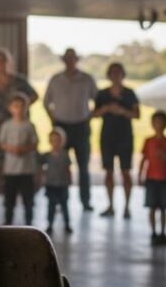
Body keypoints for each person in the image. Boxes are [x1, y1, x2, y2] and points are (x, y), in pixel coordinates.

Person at [0, 48, 38, 215]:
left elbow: (34, 95)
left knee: (16, 168)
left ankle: (17, 205)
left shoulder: (19, 81)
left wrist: (20, 109)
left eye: (3, 61)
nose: (0, 65)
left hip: (16, 128)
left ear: (8, 63)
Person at [42, 48, 97, 212]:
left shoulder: (87, 79)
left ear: (76, 60)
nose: (70, 61)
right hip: (61, 127)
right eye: (67, 59)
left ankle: (85, 201)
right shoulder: (55, 79)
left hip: (81, 126)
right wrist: (53, 120)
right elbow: (46, 102)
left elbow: (97, 100)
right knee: (58, 165)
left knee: (83, 168)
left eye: (72, 58)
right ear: (64, 61)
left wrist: (89, 116)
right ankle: (59, 201)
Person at [93, 62, 140, 218]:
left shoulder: (129, 93)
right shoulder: (102, 94)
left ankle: (127, 206)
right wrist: (106, 109)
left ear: (122, 74)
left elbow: (136, 114)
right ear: (109, 75)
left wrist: (121, 111)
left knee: (126, 171)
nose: (115, 75)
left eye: (118, 72)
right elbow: (94, 114)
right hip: (107, 136)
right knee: (109, 171)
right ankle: (111, 205)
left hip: (125, 136)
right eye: (112, 72)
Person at [139, 111, 166, 246]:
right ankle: (153, 232)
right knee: (152, 207)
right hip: (151, 178)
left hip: (164, 178)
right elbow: (143, 159)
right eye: (156, 122)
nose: (159, 125)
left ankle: (162, 232)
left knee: (163, 208)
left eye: (161, 122)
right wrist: (140, 176)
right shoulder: (148, 141)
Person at [0, 93, 38, 226]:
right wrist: (12, 149)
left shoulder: (29, 126)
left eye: (22, 106)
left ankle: (29, 222)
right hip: (10, 170)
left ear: (26, 108)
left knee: (28, 199)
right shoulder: (6, 125)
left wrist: (23, 149)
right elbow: (2, 142)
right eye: (16, 106)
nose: (19, 109)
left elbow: (35, 143)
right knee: (9, 199)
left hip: (26, 170)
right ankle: (8, 221)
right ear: (10, 108)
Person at [42, 127, 72, 235]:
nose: (56, 143)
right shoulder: (47, 156)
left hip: (62, 184)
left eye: (58, 140)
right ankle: (50, 224)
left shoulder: (65, 155)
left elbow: (68, 169)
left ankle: (67, 224)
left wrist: (69, 180)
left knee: (64, 206)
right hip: (51, 184)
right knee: (51, 206)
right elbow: (42, 169)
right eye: (53, 140)